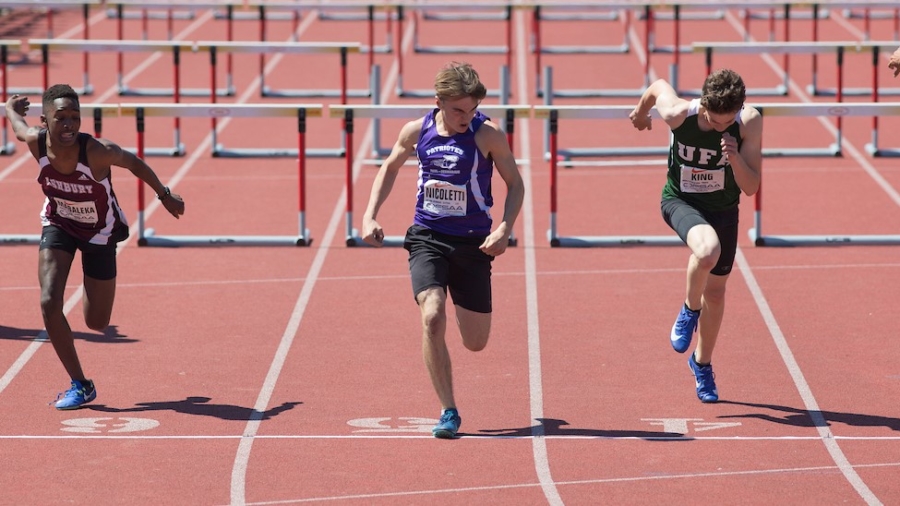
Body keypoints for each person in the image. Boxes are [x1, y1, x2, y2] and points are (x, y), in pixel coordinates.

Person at [361, 62, 524, 438]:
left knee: (476, 343)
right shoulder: (417, 131)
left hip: (473, 244)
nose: (465, 118)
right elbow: (389, 167)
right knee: (432, 315)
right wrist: (369, 215)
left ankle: (454, 383)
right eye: (457, 111)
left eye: (471, 110)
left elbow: (515, 184)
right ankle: (448, 411)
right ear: (439, 102)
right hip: (428, 236)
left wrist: (504, 228)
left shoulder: (489, 136)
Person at [5, 84, 185, 410]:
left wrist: (164, 194)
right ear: (45, 120)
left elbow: (134, 163)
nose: (69, 125)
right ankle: (81, 384)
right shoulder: (36, 141)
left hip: (100, 234)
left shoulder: (98, 151)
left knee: (96, 322)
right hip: (59, 224)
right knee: (48, 301)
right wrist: (10, 110)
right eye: (60, 118)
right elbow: (20, 129)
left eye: (75, 117)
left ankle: (93, 283)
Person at [629, 69, 762, 403]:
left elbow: (751, 187)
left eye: (726, 121)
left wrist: (732, 157)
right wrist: (641, 113)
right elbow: (658, 86)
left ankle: (701, 363)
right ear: (703, 106)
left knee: (716, 294)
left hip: (724, 209)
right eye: (715, 121)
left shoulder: (749, 122)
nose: (720, 127)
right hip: (681, 201)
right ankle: (689, 310)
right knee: (706, 251)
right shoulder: (678, 115)